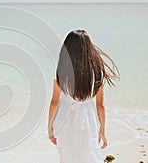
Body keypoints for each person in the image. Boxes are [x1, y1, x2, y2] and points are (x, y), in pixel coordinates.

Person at [47, 29, 119, 163]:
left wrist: (50, 127)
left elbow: (54, 103)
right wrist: (102, 129)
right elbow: (100, 105)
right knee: (88, 154)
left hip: (64, 121)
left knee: (67, 157)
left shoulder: (62, 75)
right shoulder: (96, 75)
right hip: (88, 121)